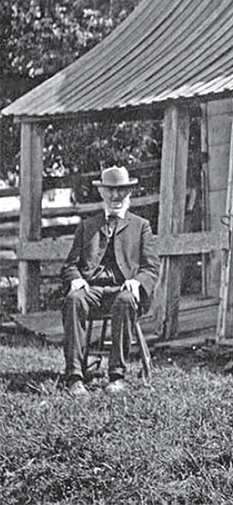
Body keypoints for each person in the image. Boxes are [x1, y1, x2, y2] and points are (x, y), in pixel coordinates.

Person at [61, 165, 160, 396]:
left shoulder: (140, 226)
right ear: (101, 193)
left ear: (129, 193)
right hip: (92, 290)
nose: (116, 196)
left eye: (121, 191)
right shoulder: (88, 226)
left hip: (122, 290)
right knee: (74, 299)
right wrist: (76, 279)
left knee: (126, 300)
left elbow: (151, 266)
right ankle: (74, 376)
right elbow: (70, 265)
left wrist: (137, 281)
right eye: (110, 191)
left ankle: (117, 376)